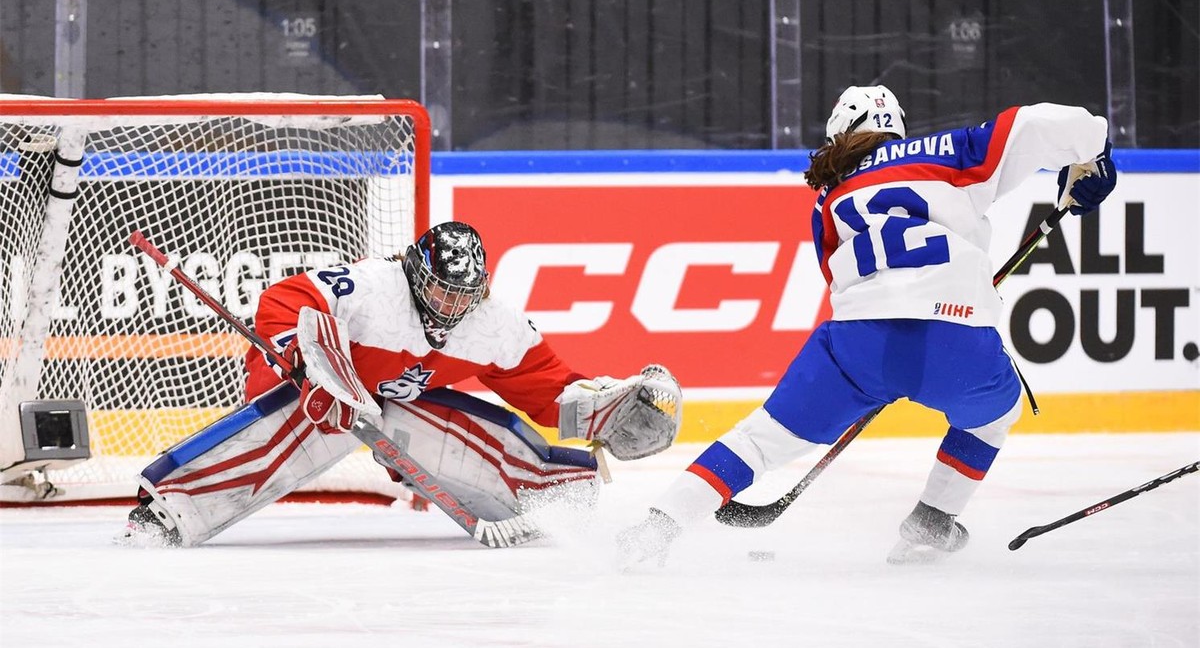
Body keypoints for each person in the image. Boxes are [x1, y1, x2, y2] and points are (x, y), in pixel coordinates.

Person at [619, 85, 1118, 565]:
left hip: (859, 342)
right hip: (956, 335)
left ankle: (656, 529)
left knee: (759, 439)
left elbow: (840, 283)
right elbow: (1033, 124)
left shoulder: (830, 200)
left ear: (839, 134)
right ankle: (931, 522)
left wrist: (875, 372)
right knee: (993, 416)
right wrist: (1092, 154)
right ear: (898, 130)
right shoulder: (953, 151)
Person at [123, 221, 682, 547]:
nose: (453, 307)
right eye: (442, 292)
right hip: (305, 386)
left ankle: (552, 494)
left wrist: (605, 411)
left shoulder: (492, 323)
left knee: (455, 428)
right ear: (416, 272)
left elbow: (546, 386)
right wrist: (308, 365)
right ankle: (171, 509)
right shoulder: (374, 287)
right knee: (312, 420)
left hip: (388, 400)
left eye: (465, 296)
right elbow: (286, 301)